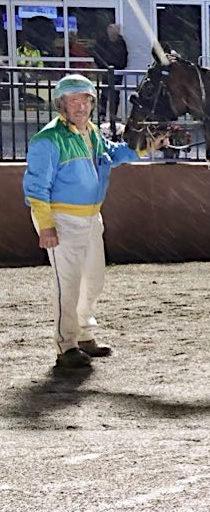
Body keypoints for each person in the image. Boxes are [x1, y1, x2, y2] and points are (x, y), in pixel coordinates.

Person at [23, 74, 141, 369]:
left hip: (90, 218)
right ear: (61, 105)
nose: (81, 106)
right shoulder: (47, 140)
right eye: (74, 100)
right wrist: (46, 226)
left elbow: (113, 154)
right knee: (69, 283)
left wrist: (145, 146)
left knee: (94, 279)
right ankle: (67, 345)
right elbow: (36, 188)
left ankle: (85, 335)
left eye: (85, 100)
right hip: (61, 220)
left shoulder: (92, 133)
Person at [92, 23, 129, 120]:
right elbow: (97, 54)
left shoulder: (121, 42)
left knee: (116, 94)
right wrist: (102, 66)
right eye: (111, 31)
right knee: (104, 93)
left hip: (118, 72)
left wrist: (121, 66)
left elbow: (124, 55)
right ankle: (102, 114)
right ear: (108, 31)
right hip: (106, 71)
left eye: (115, 31)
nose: (113, 33)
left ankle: (113, 115)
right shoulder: (103, 41)